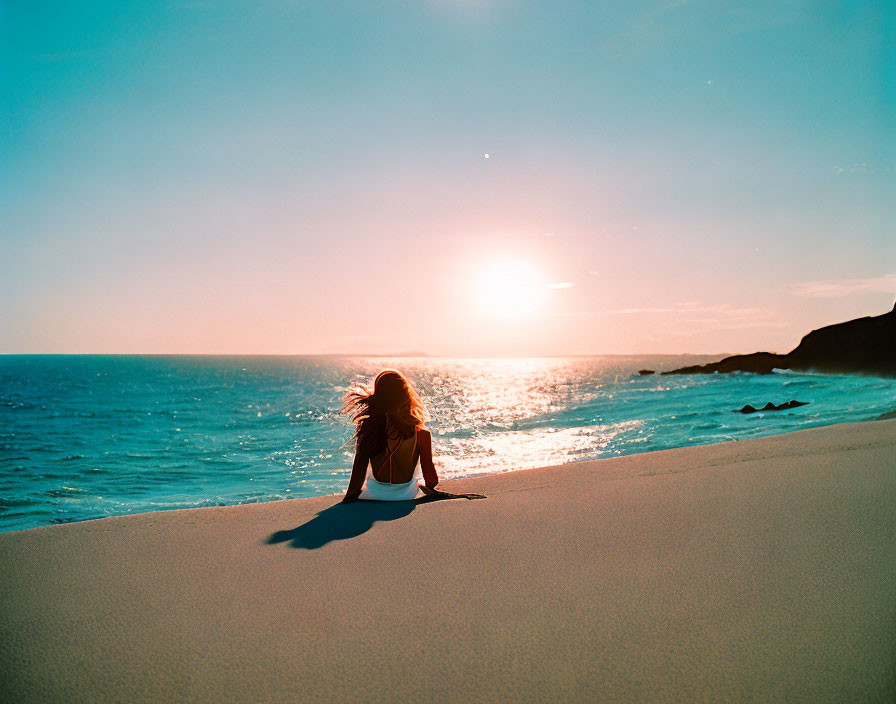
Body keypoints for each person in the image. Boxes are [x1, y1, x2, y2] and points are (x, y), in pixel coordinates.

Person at [341, 369, 440, 503]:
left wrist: (348, 499)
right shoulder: (421, 434)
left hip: (375, 494)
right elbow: (432, 482)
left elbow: (358, 474)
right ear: (406, 396)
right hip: (406, 495)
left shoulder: (369, 429)